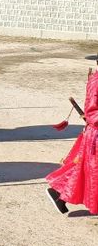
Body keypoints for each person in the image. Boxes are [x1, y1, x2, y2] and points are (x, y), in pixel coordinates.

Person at [46, 55, 98, 215]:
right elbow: (92, 111)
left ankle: (59, 194)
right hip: (95, 133)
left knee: (84, 167)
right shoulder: (96, 82)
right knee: (90, 169)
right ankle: (59, 193)